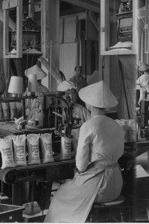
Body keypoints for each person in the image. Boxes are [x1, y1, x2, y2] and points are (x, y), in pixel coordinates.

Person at [45, 81, 124, 223]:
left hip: (100, 186)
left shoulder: (89, 126)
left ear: (90, 104)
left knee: (61, 194)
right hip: (117, 182)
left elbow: (81, 165)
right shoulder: (116, 125)